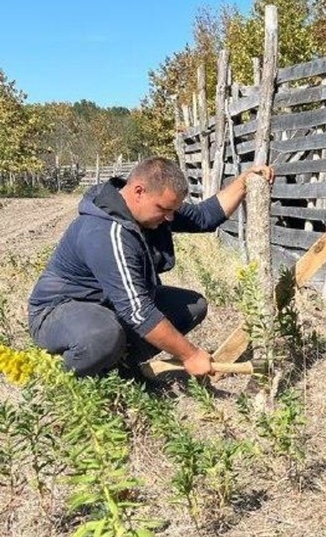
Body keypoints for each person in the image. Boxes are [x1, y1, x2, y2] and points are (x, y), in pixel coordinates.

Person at [27, 156, 275, 377]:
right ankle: (63, 377)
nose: (170, 217)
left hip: (109, 306)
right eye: (165, 210)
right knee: (101, 335)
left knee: (190, 306)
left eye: (173, 210)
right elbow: (139, 312)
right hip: (60, 312)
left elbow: (203, 217)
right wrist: (190, 355)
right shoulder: (106, 232)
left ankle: (121, 368)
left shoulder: (150, 207)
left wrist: (243, 181)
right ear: (138, 192)